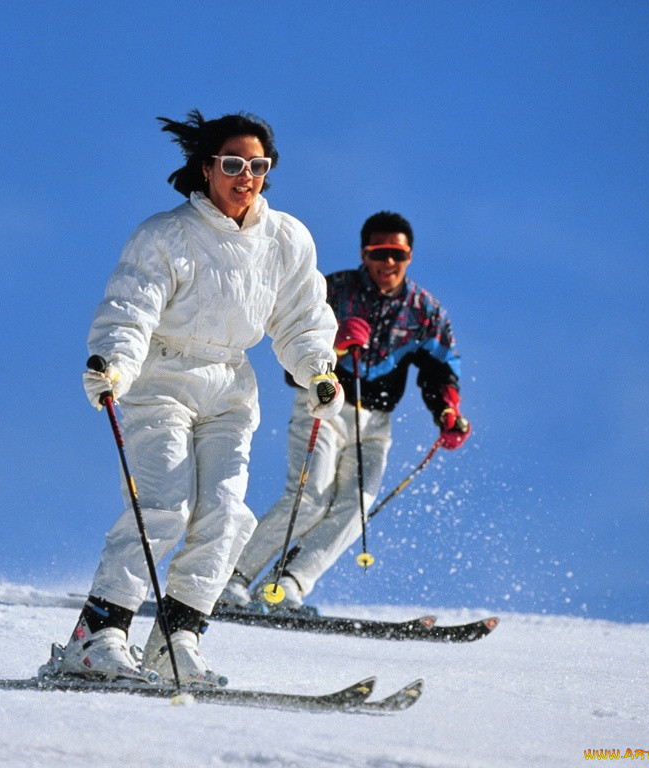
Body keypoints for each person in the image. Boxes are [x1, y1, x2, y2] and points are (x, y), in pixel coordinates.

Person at [46, 110, 344, 687]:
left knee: (225, 515)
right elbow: (131, 306)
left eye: (258, 165)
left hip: (230, 386)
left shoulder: (286, 239)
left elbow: (303, 318)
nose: (246, 176)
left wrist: (317, 371)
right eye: (233, 164)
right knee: (164, 503)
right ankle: (98, 635)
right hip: (161, 381)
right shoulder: (166, 235)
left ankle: (176, 642)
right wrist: (114, 363)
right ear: (206, 167)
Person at [217, 211, 471, 611]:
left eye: (397, 254)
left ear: (409, 256)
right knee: (311, 497)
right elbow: (293, 348)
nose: (388, 263)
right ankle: (231, 578)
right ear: (364, 253)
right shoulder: (332, 291)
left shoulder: (424, 311)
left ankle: (287, 585)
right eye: (379, 253)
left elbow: (441, 369)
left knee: (355, 509)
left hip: (375, 423)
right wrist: (334, 345)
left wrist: (447, 412)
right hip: (326, 405)